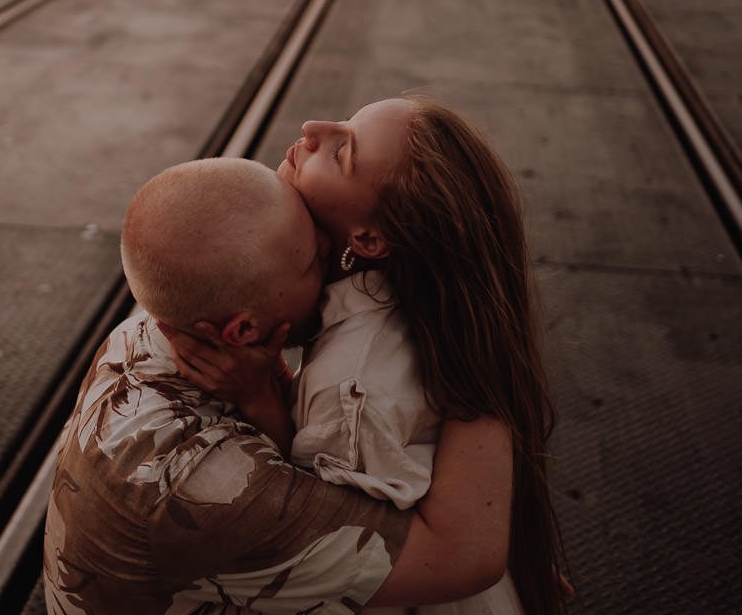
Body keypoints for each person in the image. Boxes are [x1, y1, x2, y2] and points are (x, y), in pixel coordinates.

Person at [43, 157, 514, 613]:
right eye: (313, 259)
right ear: (243, 332)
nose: (332, 255)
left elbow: (280, 463)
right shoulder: (204, 483)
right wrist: (480, 326)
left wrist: (264, 392)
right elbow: (462, 561)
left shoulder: (144, 332)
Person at [162, 96, 567, 615]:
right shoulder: (414, 301)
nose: (312, 127)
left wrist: (260, 397)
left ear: (371, 238)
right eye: (343, 123)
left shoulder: (354, 384)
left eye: (342, 152)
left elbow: (333, 535)